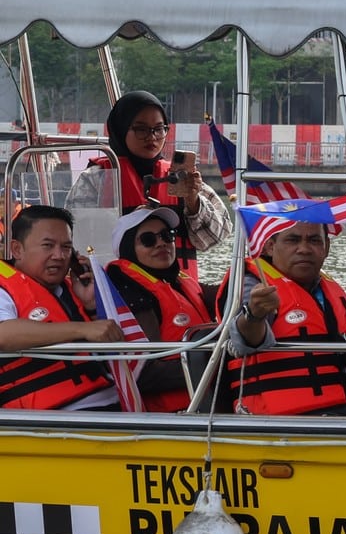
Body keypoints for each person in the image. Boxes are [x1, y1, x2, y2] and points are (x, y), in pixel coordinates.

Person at [219, 221, 346, 416]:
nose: (304, 249)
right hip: (285, 424)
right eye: (292, 240)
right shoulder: (250, 285)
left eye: (314, 240)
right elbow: (244, 342)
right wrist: (254, 314)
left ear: (326, 247)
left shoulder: (328, 288)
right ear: (269, 246)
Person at [71, 91, 230, 275]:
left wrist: (193, 202)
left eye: (159, 128)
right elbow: (79, 240)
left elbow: (216, 237)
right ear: (121, 129)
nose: (152, 136)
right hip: (118, 288)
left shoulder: (183, 178)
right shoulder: (96, 179)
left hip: (177, 291)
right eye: (141, 129)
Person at [0, 205, 123, 410]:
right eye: (48, 246)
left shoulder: (72, 289)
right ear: (17, 249)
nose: (59, 255)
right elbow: (3, 334)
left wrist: (91, 305)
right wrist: (82, 329)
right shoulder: (5, 289)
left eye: (66, 247)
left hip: (112, 406)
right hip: (52, 421)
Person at [106, 206, 212, 411]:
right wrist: (218, 364)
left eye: (167, 235)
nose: (161, 243)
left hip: (206, 404)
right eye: (148, 239)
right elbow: (145, 371)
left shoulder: (178, 282)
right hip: (172, 417)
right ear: (129, 248)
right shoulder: (130, 291)